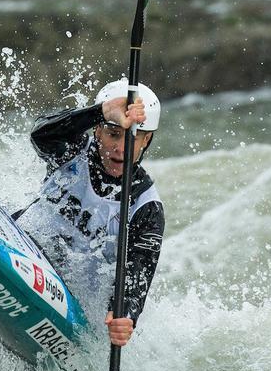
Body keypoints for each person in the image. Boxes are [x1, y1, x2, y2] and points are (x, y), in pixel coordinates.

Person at [14, 79, 165, 348]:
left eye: (132, 138)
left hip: (70, 300)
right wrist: (102, 110)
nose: (121, 148)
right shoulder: (70, 152)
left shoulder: (145, 206)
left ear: (147, 139)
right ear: (97, 131)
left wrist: (126, 316)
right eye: (113, 134)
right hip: (27, 252)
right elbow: (40, 135)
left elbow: (139, 272)